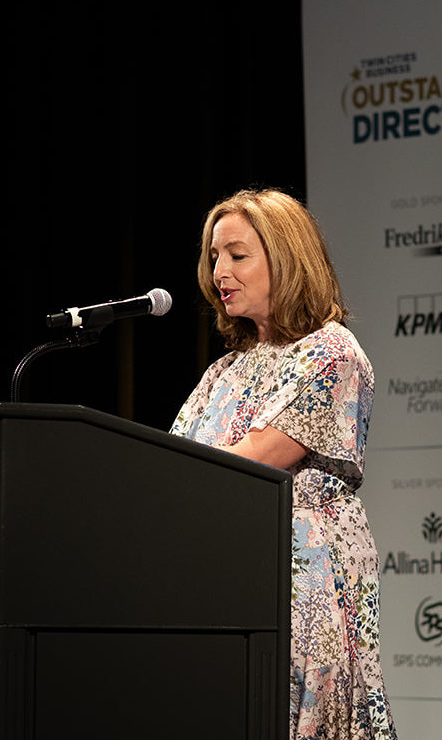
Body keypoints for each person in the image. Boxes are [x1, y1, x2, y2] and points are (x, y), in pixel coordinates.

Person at [170, 188, 397, 740]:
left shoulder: (332, 352)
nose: (219, 272)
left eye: (237, 255)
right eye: (214, 256)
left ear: (286, 259)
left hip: (301, 575)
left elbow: (254, 462)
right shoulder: (225, 371)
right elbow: (171, 465)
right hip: (222, 573)